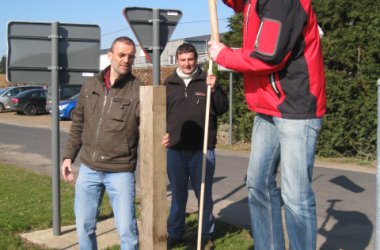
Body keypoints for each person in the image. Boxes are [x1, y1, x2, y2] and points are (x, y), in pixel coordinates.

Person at [208, 0, 326, 249]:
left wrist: (224, 55)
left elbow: (269, 56)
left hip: (295, 107)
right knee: (258, 182)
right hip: (269, 105)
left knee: (295, 195)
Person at [61, 36, 141, 250]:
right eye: (122, 55)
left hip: (121, 171)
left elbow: (152, 125)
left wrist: (164, 134)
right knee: (84, 226)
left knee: (127, 231)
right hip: (89, 169)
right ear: (110, 55)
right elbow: (78, 123)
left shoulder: (138, 90)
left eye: (131, 56)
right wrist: (69, 156)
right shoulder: (90, 85)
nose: (126, 60)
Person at [162, 43, 228, 248]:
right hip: (175, 149)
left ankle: (206, 234)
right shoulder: (169, 83)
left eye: (190, 59)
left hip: (203, 149)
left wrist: (215, 88)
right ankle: (175, 232)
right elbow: (160, 114)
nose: (187, 63)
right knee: (178, 195)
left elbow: (221, 109)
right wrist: (162, 133)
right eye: (183, 60)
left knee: (204, 194)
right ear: (177, 60)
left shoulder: (207, 80)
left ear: (196, 59)